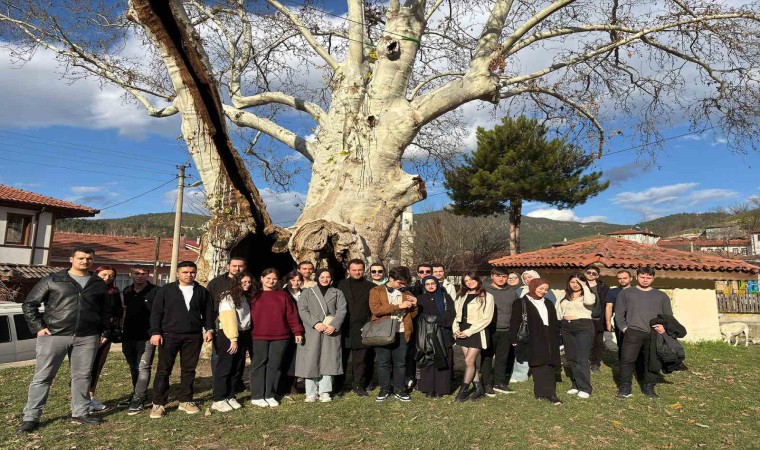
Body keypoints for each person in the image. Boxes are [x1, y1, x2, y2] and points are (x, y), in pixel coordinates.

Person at [17, 247, 111, 433]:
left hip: (87, 337)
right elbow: (29, 304)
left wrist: (104, 331)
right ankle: (31, 417)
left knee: (82, 377)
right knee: (43, 377)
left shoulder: (98, 283)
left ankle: (80, 412)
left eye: (89, 258)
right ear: (71, 259)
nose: (85, 261)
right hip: (54, 335)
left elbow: (105, 311)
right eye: (81, 258)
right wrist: (39, 327)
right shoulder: (53, 279)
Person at [149, 261, 214, 419]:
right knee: (164, 370)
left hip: (193, 336)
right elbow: (156, 312)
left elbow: (208, 312)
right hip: (169, 335)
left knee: (189, 369)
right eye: (185, 272)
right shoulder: (166, 290)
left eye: (192, 272)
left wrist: (209, 329)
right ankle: (158, 403)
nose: (189, 275)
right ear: (178, 273)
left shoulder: (201, 291)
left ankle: (185, 400)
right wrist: (155, 332)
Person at [615, 267, 673, 399]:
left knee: (652, 361)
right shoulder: (626, 293)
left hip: (654, 333)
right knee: (627, 359)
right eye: (642, 277)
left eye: (648, 277)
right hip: (633, 331)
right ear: (636, 277)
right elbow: (619, 313)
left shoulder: (661, 296)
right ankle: (625, 387)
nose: (645, 280)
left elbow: (668, 316)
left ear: (653, 278)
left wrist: (663, 327)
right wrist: (624, 328)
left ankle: (649, 387)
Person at [249, 268, 304, 407]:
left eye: (274, 279)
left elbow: (291, 315)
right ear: (261, 279)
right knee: (259, 364)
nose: (271, 281)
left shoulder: (283, 296)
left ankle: (270, 394)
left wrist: (297, 331)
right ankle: (257, 395)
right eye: (268, 278)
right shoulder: (254, 295)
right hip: (259, 336)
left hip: (280, 336)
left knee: (275, 365)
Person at [296, 269, 347, 403]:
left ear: (331, 278)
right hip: (312, 331)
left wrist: (334, 325)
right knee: (310, 360)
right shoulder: (307, 292)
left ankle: (325, 392)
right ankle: (311, 392)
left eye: (327, 277)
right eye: (322, 277)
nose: (325, 279)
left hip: (331, 331)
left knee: (328, 361)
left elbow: (342, 310)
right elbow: (302, 310)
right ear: (317, 278)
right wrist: (315, 323)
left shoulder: (337, 293)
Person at [369, 266, 418, 402]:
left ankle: (399, 389)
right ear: (391, 278)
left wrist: (415, 305)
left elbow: (413, 315)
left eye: (404, 283)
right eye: (400, 282)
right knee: (383, 362)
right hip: (382, 331)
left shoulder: (406, 293)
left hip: (401, 331)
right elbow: (376, 310)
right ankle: (385, 389)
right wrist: (398, 306)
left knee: (400, 363)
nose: (402, 285)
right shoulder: (376, 291)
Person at [509, 278, 562, 405]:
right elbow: (515, 320)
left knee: (549, 363)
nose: (543, 291)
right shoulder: (521, 302)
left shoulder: (548, 302)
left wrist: (558, 338)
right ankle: (540, 392)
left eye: (546, 289)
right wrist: (513, 337)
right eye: (541, 288)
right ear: (533, 287)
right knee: (537, 363)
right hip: (533, 335)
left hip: (549, 336)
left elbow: (554, 321)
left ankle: (551, 393)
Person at [211, 272, 253, 412]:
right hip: (228, 335)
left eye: (249, 282)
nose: (247, 284)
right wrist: (233, 339)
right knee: (225, 367)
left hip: (242, 334)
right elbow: (229, 320)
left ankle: (230, 395)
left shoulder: (244, 296)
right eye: (244, 282)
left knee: (237, 367)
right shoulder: (227, 297)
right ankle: (218, 399)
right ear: (237, 283)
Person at [121, 265, 159, 416]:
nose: (140, 276)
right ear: (130, 274)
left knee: (143, 367)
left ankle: (139, 398)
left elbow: (159, 313)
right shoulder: (127, 291)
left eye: (143, 273)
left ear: (148, 275)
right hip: (128, 335)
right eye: (136, 273)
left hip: (147, 335)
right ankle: (136, 391)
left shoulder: (156, 291)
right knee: (133, 367)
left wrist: (156, 332)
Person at [336, 259, 377, 397]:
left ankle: (359, 385)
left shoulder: (371, 287)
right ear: (349, 270)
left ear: (364, 270)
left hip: (362, 328)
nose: (357, 272)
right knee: (341, 358)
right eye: (354, 270)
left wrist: (369, 324)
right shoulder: (339, 285)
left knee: (360, 360)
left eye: (360, 269)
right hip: (343, 328)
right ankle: (339, 386)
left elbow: (373, 308)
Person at [453, 271, 494, 402]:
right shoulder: (461, 295)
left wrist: (469, 332)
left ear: (477, 280)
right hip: (462, 330)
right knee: (469, 362)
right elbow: (456, 314)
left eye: (471, 279)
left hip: (476, 331)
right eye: (466, 281)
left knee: (469, 361)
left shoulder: (487, 296)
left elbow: (487, 318)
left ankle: (463, 391)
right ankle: (478, 388)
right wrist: (456, 329)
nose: (469, 282)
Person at [87, 265, 124, 412]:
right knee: (85, 367)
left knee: (97, 366)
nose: (107, 278)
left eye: (111, 276)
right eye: (103, 275)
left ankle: (91, 398)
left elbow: (118, 313)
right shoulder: (87, 290)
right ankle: (81, 399)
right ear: (96, 274)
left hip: (105, 335)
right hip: (88, 334)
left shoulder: (114, 292)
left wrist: (107, 333)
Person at [206, 257, 247, 384]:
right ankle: (219, 383)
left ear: (245, 267)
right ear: (228, 266)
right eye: (234, 266)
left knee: (239, 356)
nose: (237, 268)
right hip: (221, 325)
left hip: (242, 326)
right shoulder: (216, 283)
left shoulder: (247, 282)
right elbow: (209, 306)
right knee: (218, 355)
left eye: (240, 266)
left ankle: (236, 383)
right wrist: (209, 327)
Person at [556, 273, 596, 399]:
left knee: (581, 358)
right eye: (573, 282)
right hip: (566, 326)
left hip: (583, 327)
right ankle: (575, 384)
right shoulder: (564, 295)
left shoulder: (588, 295)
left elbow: (589, 302)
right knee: (571, 357)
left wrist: (585, 286)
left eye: (578, 282)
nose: (575, 284)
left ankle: (585, 388)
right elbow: (558, 311)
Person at [415, 276, 455, 397]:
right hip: (426, 333)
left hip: (443, 332)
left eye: (433, 283)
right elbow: (417, 315)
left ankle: (441, 389)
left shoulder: (445, 297)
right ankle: (428, 388)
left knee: (443, 359)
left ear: (437, 284)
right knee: (428, 359)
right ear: (424, 286)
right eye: (427, 284)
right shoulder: (419, 299)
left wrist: (437, 320)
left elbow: (451, 313)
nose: (430, 286)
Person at [481, 267, 517, 396]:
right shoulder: (484, 290)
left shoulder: (511, 291)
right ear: (492, 276)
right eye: (498, 276)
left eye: (504, 276)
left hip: (506, 329)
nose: (501, 279)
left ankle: (499, 382)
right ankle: (486, 384)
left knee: (502, 358)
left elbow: (515, 310)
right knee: (487, 357)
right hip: (489, 329)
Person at [279, 270, 304, 396]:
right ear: (287, 280)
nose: (295, 282)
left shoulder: (305, 293)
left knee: (296, 358)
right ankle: (283, 385)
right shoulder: (282, 293)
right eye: (292, 280)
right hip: (286, 330)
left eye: (298, 280)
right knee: (285, 357)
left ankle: (293, 384)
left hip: (301, 329)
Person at [584, 266, 610, 373]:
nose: (591, 274)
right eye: (589, 272)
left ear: (597, 275)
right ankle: (583, 361)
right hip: (584, 318)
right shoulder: (580, 284)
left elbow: (608, 303)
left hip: (598, 318)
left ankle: (595, 363)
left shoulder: (604, 287)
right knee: (584, 341)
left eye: (593, 273)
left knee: (598, 343)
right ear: (585, 273)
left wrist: (607, 318)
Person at [606, 270, 633, 357]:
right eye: (620, 278)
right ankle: (622, 363)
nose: (622, 280)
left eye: (625, 278)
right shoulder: (613, 291)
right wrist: (608, 323)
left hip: (635, 320)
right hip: (620, 320)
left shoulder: (637, 291)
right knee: (621, 344)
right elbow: (609, 307)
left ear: (631, 278)